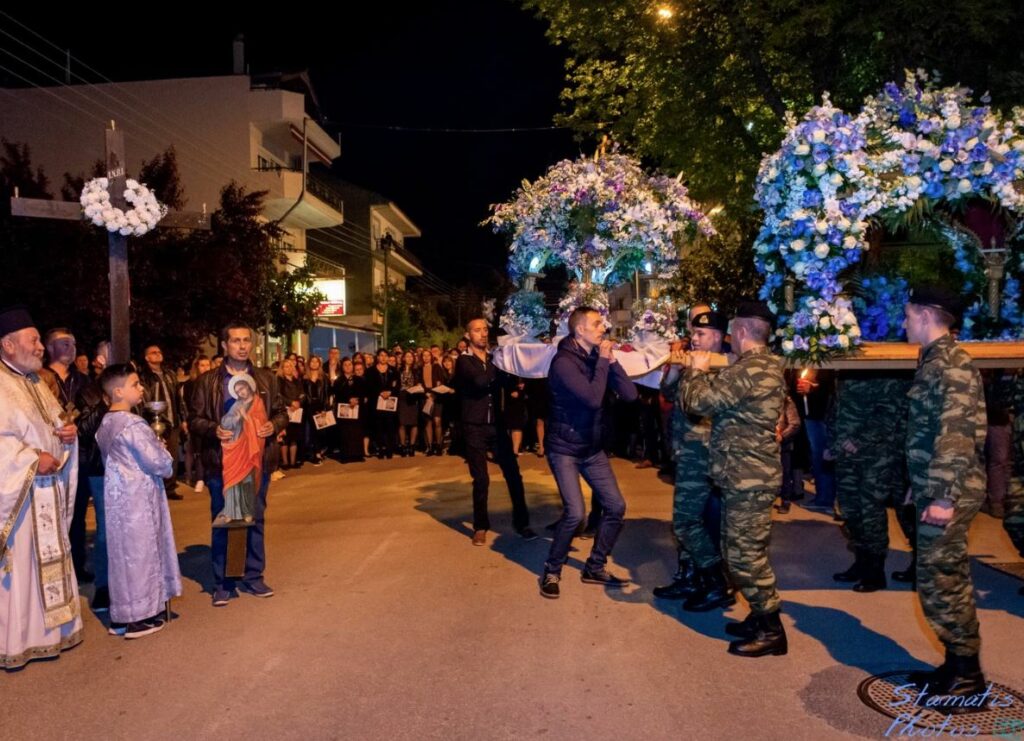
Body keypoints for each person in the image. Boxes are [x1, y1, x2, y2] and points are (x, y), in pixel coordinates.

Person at [683, 301, 787, 657]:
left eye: (731, 331)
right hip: (741, 475)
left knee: (746, 557)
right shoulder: (763, 365)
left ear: (741, 331)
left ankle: (772, 629)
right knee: (737, 549)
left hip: (749, 477)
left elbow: (698, 403)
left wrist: (696, 370)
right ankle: (759, 617)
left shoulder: (751, 369)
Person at [902, 286, 988, 698]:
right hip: (936, 484)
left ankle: (967, 671)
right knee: (943, 575)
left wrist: (942, 496)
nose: (904, 323)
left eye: (907, 315)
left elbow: (955, 433)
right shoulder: (935, 359)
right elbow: (927, 431)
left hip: (949, 490)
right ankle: (956, 662)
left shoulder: (952, 363)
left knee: (942, 579)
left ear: (924, 315)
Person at [0, 305, 82, 669]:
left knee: (46, 566)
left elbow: (53, 424)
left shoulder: (35, 382)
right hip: (19, 498)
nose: (39, 347)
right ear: (8, 344)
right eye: (33, 340)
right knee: (22, 573)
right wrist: (33, 458)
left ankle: (54, 634)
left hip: (46, 493)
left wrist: (66, 435)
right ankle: (20, 641)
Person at [539, 307, 638, 599]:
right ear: (579, 330)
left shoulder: (597, 357)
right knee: (575, 514)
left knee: (616, 507)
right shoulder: (563, 363)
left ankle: (594, 566)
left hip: (591, 448)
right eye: (596, 324)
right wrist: (604, 361)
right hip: (565, 449)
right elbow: (594, 400)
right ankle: (552, 569)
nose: (603, 328)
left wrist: (612, 360)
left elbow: (630, 395)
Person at [189, 322, 288, 607]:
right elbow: (194, 419)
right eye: (236, 341)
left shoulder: (267, 379)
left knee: (254, 517)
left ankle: (254, 576)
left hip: (257, 460)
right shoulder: (208, 381)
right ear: (224, 345)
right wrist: (213, 429)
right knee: (224, 520)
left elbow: (281, 411)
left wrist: (274, 424)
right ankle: (224, 582)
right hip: (223, 463)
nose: (242, 345)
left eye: (246, 340)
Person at [96, 364, 181, 639]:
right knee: (141, 555)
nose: (141, 388)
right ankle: (138, 618)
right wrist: (165, 454)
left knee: (123, 556)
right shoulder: (133, 424)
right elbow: (157, 462)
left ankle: (121, 615)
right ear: (118, 391)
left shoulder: (106, 423)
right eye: (135, 384)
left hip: (117, 497)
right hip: (138, 499)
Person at [655, 308, 731, 608]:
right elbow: (672, 395)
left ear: (719, 335)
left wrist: (696, 369)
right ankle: (690, 577)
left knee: (686, 521)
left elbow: (702, 406)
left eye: (701, 334)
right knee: (689, 519)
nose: (694, 338)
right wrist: (674, 368)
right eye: (693, 333)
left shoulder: (725, 366)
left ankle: (714, 581)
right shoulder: (695, 361)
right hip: (685, 452)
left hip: (705, 455)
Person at [454, 318, 535, 546]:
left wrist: (516, 376)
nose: (482, 334)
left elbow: (508, 384)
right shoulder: (464, 361)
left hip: (497, 425)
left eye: (485, 330)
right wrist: (503, 368)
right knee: (481, 479)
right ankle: (480, 526)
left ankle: (522, 523)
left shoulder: (495, 359)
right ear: (468, 335)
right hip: (474, 426)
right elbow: (481, 382)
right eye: (477, 330)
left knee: (513, 474)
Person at [829, 371, 912, 591]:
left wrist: (859, 440)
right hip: (845, 453)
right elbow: (835, 409)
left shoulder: (885, 372)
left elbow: (889, 413)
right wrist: (833, 442)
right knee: (849, 509)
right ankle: (861, 561)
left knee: (870, 511)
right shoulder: (846, 372)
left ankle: (875, 571)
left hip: (876, 454)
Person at [138, 344, 186, 500]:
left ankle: (170, 487)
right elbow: (144, 401)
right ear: (147, 357)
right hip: (155, 422)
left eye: (159, 351)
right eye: (153, 352)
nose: (158, 354)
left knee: (172, 456)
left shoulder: (169, 374)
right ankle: (157, 488)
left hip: (173, 421)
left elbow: (179, 399)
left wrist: (183, 418)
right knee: (156, 455)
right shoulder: (144, 377)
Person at [183, 356, 212, 493]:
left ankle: (209, 476)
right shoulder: (190, 384)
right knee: (198, 450)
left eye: (208, 365)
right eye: (202, 365)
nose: (205, 368)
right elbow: (188, 405)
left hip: (212, 421)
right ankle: (199, 478)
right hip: (196, 421)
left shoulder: (214, 382)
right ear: (197, 367)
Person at [365, 349, 400, 459]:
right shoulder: (370, 371)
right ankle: (381, 448)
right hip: (376, 402)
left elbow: (397, 385)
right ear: (378, 357)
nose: (383, 357)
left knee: (390, 426)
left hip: (390, 402)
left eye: (385, 355)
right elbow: (369, 386)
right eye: (381, 355)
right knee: (378, 426)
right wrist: (380, 392)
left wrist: (390, 392)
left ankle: (389, 449)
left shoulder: (393, 370)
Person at [333, 358, 366, 462]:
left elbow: (364, 393)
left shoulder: (360, 379)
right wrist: (348, 399)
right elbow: (337, 395)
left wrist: (357, 399)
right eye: (345, 365)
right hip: (344, 409)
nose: (348, 366)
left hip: (357, 408)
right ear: (342, 368)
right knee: (345, 432)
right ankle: (345, 456)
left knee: (357, 431)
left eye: (350, 364)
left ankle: (357, 455)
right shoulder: (338, 381)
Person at [277, 357, 304, 470]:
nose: (288, 368)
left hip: (296, 411)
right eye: (286, 366)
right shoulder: (279, 380)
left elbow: (303, 394)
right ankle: (285, 462)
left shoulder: (297, 381)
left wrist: (298, 402)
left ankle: (293, 462)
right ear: (282, 369)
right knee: (285, 438)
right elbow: (278, 395)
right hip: (285, 411)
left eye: (290, 366)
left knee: (294, 437)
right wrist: (290, 402)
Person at [303, 355, 329, 465]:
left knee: (320, 431)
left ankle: (319, 451)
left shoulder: (324, 377)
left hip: (320, 406)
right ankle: (315, 453)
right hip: (308, 406)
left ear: (319, 364)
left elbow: (327, 394)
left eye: (316, 362)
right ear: (309, 364)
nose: (314, 363)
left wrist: (325, 408)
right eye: (312, 361)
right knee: (311, 431)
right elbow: (302, 394)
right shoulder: (304, 378)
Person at [397, 350, 422, 456]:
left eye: (411, 357)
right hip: (402, 397)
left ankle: (412, 446)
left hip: (413, 397)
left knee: (413, 422)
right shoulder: (398, 370)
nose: (409, 358)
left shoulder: (417, 371)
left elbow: (420, 383)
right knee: (402, 423)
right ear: (403, 358)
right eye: (407, 356)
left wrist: (418, 386)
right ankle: (403, 446)